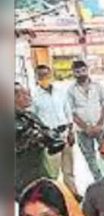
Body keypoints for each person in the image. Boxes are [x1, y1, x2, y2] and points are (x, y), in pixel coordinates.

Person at [31, 65, 78, 196]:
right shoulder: (35, 97)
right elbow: (33, 118)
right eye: (41, 75)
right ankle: (56, 197)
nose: (44, 78)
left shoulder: (60, 92)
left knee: (69, 170)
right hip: (50, 138)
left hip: (65, 134)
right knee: (53, 172)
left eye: (46, 75)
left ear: (51, 75)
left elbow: (68, 112)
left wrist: (71, 131)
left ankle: (73, 195)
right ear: (36, 78)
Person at [67, 59, 104, 182]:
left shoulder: (98, 86)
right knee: (90, 157)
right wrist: (86, 128)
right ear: (73, 73)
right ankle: (99, 180)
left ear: (87, 70)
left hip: (100, 127)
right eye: (77, 72)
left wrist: (100, 124)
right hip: (82, 130)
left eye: (83, 70)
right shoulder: (71, 90)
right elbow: (72, 112)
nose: (81, 74)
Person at [15, 83, 56, 200]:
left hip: (39, 170)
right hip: (21, 176)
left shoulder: (30, 116)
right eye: (24, 94)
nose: (29, 97)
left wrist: (50, 136)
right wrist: (29, 139)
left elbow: (46, 132)